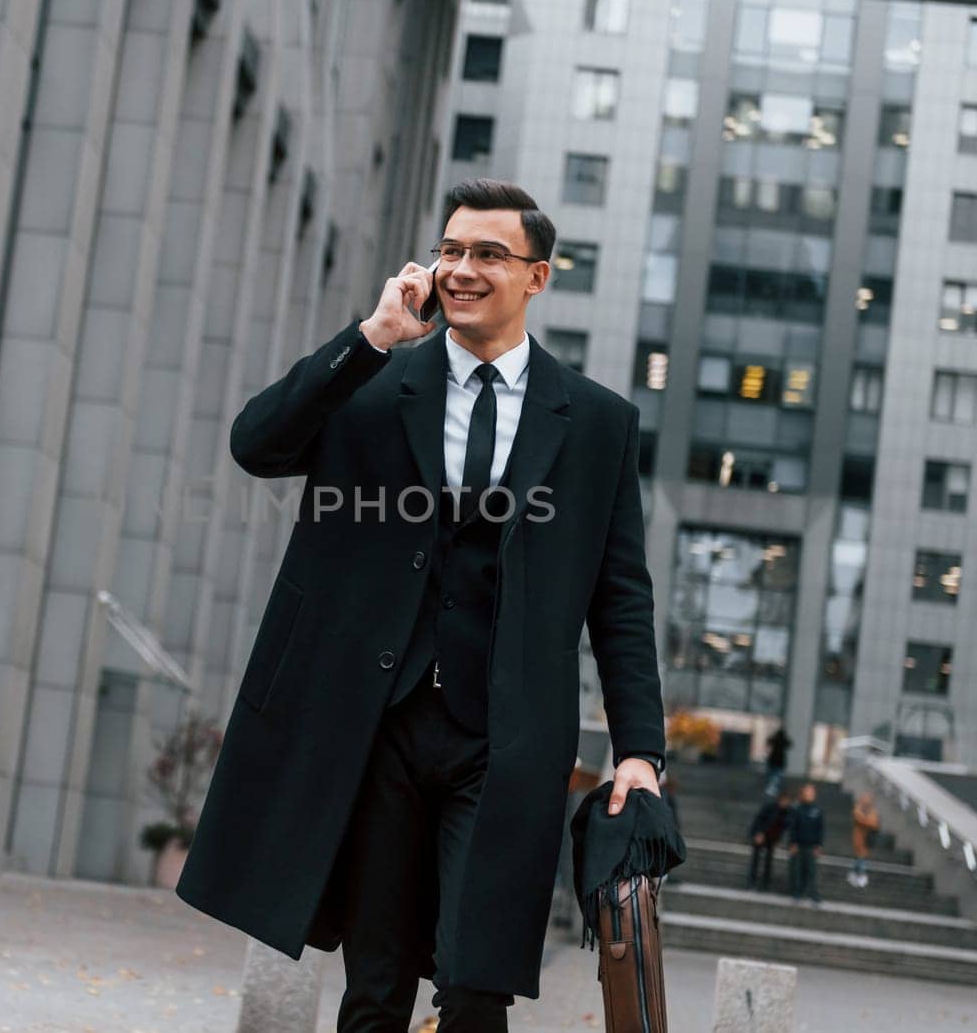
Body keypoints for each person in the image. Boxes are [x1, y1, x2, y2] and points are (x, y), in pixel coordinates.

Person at [176, 179, 667, 1032]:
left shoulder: (595, 424)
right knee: (376, 987)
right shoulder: (374, 382)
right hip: (378, 729)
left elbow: (620, 598)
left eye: (487, 254)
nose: (460, 270)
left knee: (476, 988)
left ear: (537, 277)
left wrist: (640, 750)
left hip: (505, 739)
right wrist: (371, 338)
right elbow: (257, 444)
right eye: (449, 250)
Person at [747, 792, 793, 891]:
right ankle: (751, 882)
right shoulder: (770, 807)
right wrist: (758, 833)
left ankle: (765, 884)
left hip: (772, 839)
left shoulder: (788, 812)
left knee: (768, 862)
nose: (785, 803)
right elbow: (759, 819)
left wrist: (778, 840)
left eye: (787, 801)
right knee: (756, 860)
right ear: (780, 800)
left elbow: (784, 827)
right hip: (762, 835)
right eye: (784, 801)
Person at [787, 783, 824, 905]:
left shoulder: (817, 810)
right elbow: (792, 827)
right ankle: (797, 893)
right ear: (803, 794)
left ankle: (814, 895)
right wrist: (792, 843)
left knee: (811, 871)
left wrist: (819, 845)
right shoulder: (797, 809)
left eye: (811, 792)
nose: (809, 794)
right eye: (807, 792)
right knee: (797, 870)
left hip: (811, 846)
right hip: (798, 845)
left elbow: (820, 829)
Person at [849, 792, 880, 889]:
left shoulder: (873, 811)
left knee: (860, 857)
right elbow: (858, 818)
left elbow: (874, 823)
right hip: (858, 838)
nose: (866, 801)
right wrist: (867, 821)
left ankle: (855, 874)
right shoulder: (857, 808)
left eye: (868, 799)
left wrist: (865, 821)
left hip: (867, 839)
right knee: (860, 857)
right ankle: (861, 876)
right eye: (864, 798)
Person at [764, 727, 791, 796]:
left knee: (772, 775)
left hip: (774, 760)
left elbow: (768, 741)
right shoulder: (783, 740)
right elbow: (789, 744)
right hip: (779, 761)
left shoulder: (775, 739)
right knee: (777, 776)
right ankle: (774, 789)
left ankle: (772, 788)